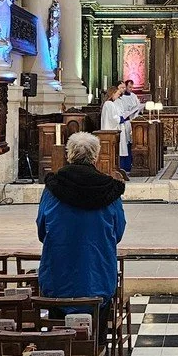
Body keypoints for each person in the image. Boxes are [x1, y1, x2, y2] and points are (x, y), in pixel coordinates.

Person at [37, 131, 127, 340]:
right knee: (97, 338)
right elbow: (118, 231)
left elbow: (42, 229)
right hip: (97, 277)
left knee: (57, 338)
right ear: (95, 156)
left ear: (69, 155)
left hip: (59, 277)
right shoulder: (109, 190)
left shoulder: (52, 189)